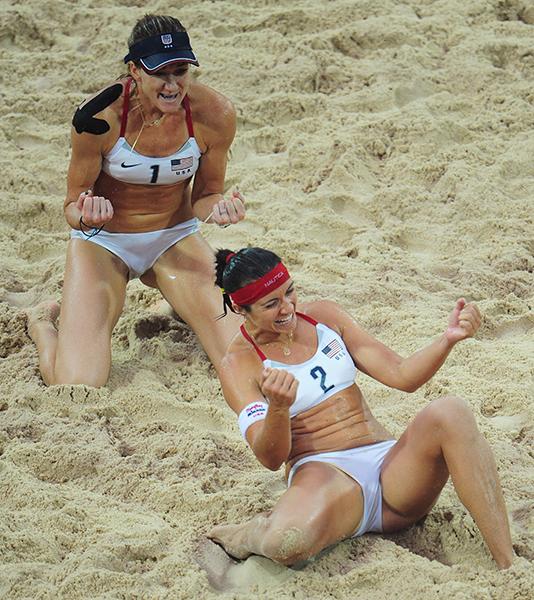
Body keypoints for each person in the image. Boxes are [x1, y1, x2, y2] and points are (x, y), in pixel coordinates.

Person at [207, 247, 514, 570]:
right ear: (241, 309)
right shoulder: (238, 364)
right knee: (283, 543)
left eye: (290, 292)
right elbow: (269, 458)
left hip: (389, 469)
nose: (288, 308)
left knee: (452, 411)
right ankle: (250, 535)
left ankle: (508, 563)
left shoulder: (324, 317)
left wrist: (448, 340)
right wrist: (280, 409)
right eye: (272, 304)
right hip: (325, 474)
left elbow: (401, 375)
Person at [27, 14, 245, 387]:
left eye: (181, 70)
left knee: (244, 356)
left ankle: (180, 302)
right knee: (77, 385)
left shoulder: (215, 114)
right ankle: (42, 325)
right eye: (161, 72)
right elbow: (70, 208)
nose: (172, 84)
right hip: (104, 243)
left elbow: (204, 198)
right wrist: (87, 214)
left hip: (173, 236)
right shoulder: (98, 117)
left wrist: (221, 209)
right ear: (135, 70)